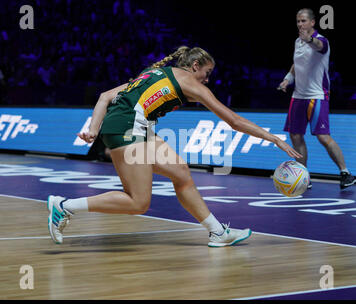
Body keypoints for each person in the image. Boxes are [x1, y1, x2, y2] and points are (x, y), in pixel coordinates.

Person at [47, 46, 301, 247]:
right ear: (194, 66)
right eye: (207, 73)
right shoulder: (190, 82)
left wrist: (94, 129)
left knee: (181, 172)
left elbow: (105, 97)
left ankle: (217, 232)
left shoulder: (154, 74)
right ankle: (64, 206)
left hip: (131, 126)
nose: (207, 80)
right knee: (138, 202)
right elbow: (233, 120)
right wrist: (275, 139)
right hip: (128, 127)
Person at [278, 8, 356, 190]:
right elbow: (296, 64)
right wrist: (287, 79)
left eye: (303, 21)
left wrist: (310, 39)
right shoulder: (298, 41)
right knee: (296, 135)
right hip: (298, 96)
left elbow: (319, 47)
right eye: (298, 21)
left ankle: (345, 173)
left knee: (322, 136)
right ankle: (303, 176)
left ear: (313, 22)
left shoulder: (321, 41)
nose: (300, 24)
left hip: (317, 96)